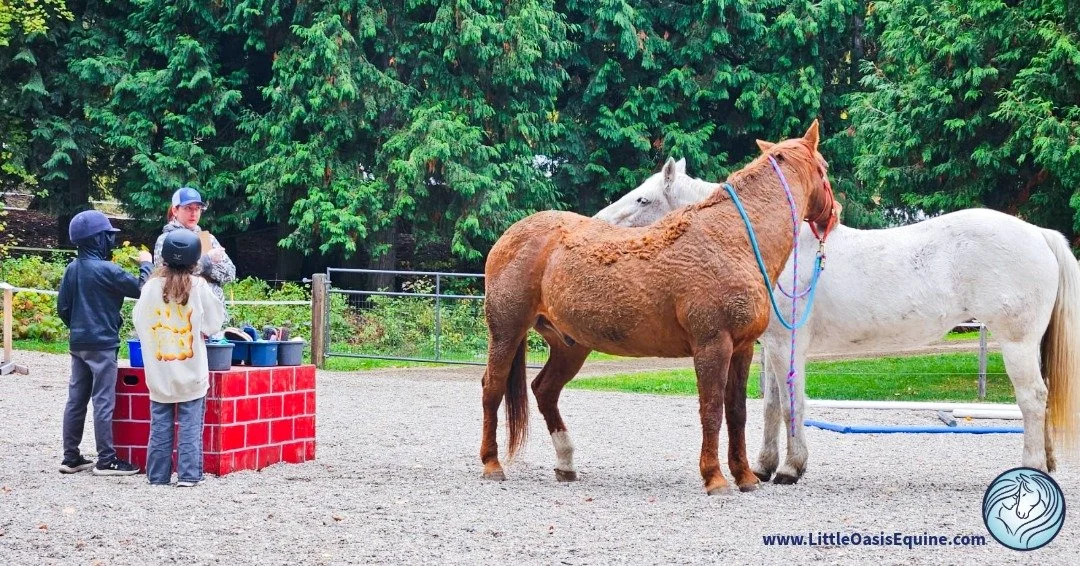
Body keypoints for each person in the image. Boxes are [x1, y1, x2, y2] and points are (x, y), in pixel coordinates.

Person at [58, 210, 154, 475]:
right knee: (103, 400)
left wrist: (79, 328)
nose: (110, 241)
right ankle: (106, 460)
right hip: (102, 345)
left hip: (78, 344)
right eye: (108, 237)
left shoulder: (72, 269)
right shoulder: (108, 270)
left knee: (76, 400)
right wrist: (146, 264)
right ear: (98, 239)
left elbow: (62, 308)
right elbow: (142, 290)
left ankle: (71, 457)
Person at [133, 228, 226, 487]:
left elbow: (139, 321)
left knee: (160, 425)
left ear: (163, 258)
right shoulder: (199, 286)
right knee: (190, 426)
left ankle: (157, 476)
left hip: (159, 370)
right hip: (192, 369)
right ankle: (188, 475)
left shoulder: (151, 287)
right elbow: (214, 323)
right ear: (196, 260)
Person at [153, 187, 236, 305]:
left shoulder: (206, 239)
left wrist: (203, 268)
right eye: (188, 208)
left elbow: (230, 273)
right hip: (181, 311)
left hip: (211, 311)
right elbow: (168, 275)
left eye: (197, 208)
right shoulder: (167, 240)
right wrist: (207, 260)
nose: (193, 213)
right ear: (175, 210)